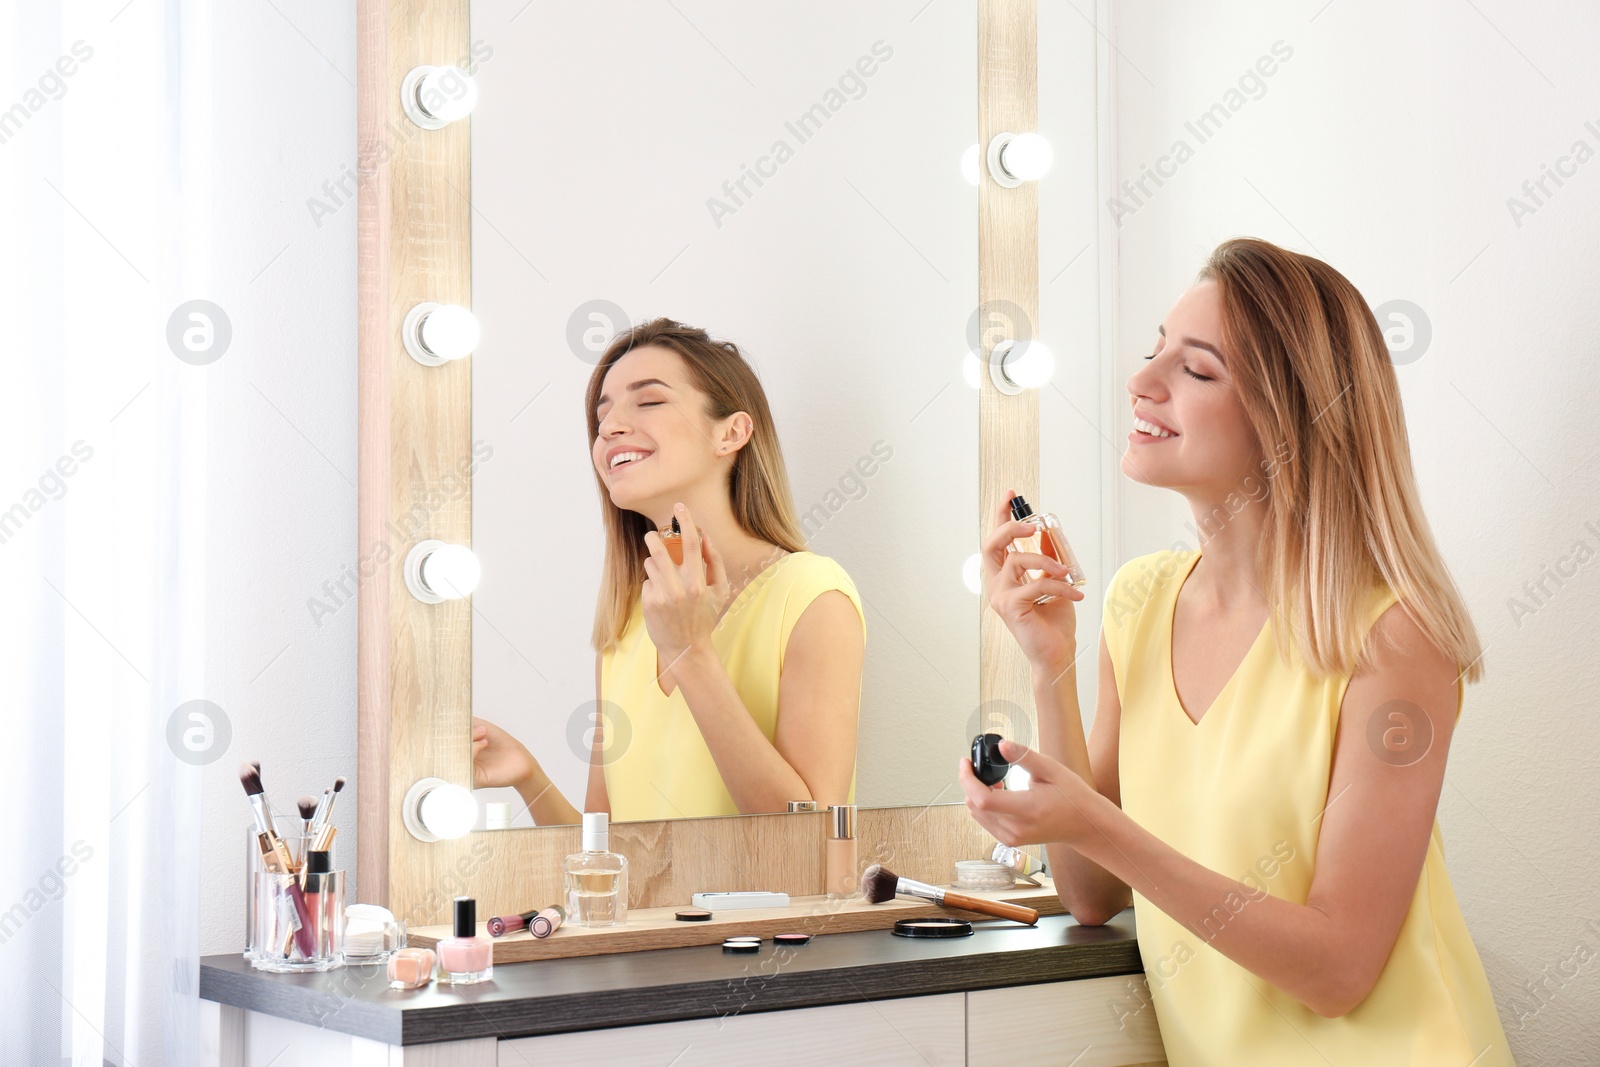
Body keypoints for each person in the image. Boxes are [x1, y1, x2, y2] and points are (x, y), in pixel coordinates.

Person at [960, 238, 1515, 1064]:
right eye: (1154, 351)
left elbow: (1339, 968)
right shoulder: (1138, 603)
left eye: (1198, 370)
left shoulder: (1393, 635)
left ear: (1290, 420)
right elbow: (1090, 891)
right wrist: (1051, 666)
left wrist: (1098, 823)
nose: (1141, 382)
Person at [474, 318, 866, 824]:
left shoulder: (812, 598)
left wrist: (690, 651)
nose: (610, 426)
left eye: (649, 401)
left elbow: (811, 836)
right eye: (603, 413)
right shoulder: (625, 626)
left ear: (731, 432)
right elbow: (606, 860)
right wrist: (529, 777)